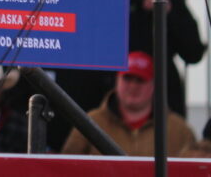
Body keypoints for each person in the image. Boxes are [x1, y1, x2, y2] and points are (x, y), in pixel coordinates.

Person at [61, 51, 195, 156]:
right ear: (117, 80)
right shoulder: (90, 122)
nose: (133, 86)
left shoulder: (180, 130)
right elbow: (66, 168)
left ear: (154, 85)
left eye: (140, 80)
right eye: (127, 78)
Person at [128, 0, 204, 117]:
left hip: (164, 92)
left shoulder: (175, 4)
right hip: (126, 85)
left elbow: (193, 53)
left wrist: (170, 16)